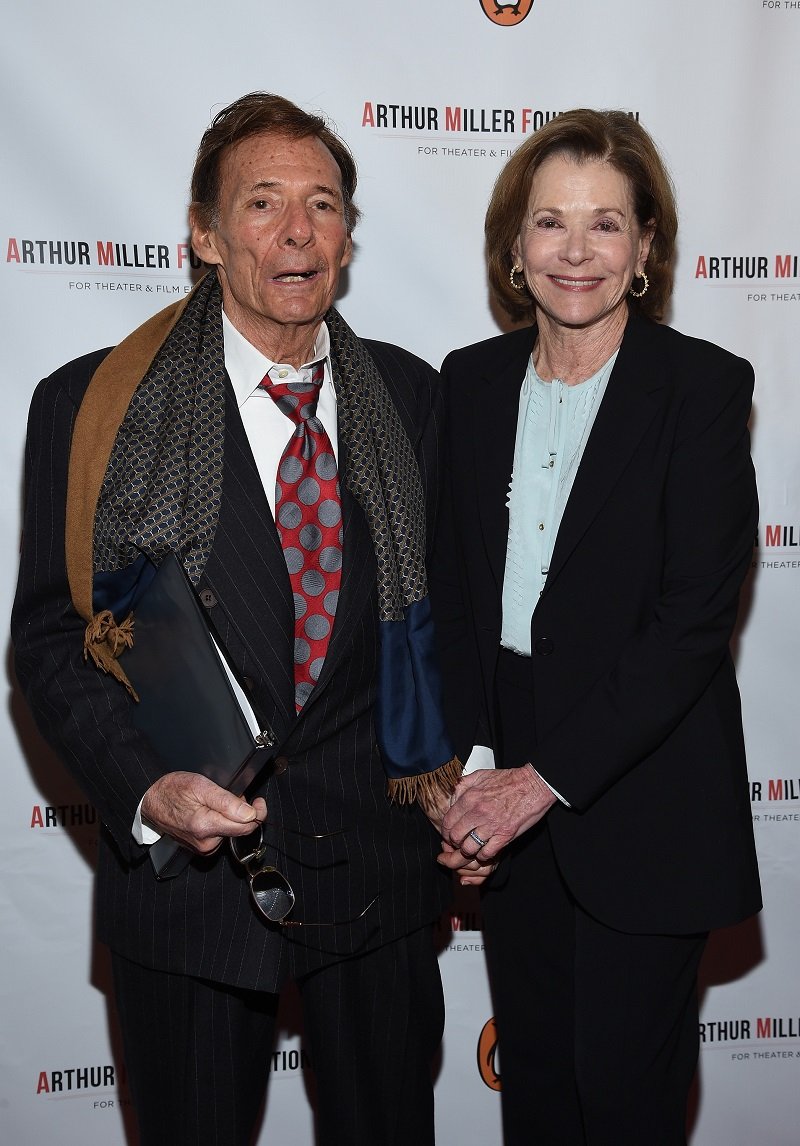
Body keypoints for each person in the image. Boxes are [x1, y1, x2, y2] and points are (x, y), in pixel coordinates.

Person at [12, 92, 458, 1146]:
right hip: (192, 902)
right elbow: (48, 640)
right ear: (206, 237)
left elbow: (445, 627)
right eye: (262, 204)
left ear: (347, 235)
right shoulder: (91, 407)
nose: (297, 231)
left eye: (322, 204)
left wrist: (465, 780)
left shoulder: (414, 399)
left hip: (378, 887)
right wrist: (144, 788)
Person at [430, 109, 761, 1145]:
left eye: (605, 224)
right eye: (549, 223)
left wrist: (539, 783)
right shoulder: (470, 384)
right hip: (511, 784)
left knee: (621, 1100)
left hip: (642, 795)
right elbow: (457, 594)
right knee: (534, 1090)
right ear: (513, 248)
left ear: (646, 247)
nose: (575, 251)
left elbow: (693, 616)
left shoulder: (700, 388)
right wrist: (474, 783)